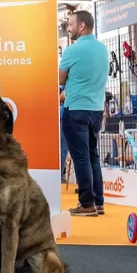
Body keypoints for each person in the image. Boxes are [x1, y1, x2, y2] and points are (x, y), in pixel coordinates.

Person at [58, 11, 110, 217]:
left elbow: (61, 79)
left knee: (80, 158)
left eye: (70, 24)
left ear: (81, 26)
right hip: (96, 109)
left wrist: (66, 85)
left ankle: (86, 203)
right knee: (92, 156)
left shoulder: (72, 50)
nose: (68, 28)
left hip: (76, 108)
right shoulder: (102, 49)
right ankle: (98, 201)